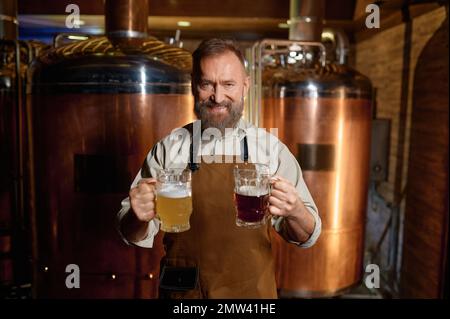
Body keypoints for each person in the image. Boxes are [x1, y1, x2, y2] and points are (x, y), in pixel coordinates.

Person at [117, 38, 321, 299]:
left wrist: (296, 211)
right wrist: (136, 215)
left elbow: (308, 236)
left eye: (228, 84)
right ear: (194, 85)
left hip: (250, 296)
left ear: (245, 86)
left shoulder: (271, 150)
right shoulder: (169, 149)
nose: (218, 97)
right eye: (207, 84)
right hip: (185, 294)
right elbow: (131, 233)